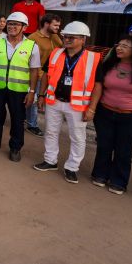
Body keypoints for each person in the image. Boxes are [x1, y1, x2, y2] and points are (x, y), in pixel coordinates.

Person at [33, 21, 100, 183]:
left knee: (77, 137)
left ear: (83, 39)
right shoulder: (56, 53)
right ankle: (50, 161)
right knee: (51, 131)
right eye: (65, 36)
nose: (67, 39)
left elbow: (98, 85)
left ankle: (72, 167)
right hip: (54, 101)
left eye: (72, 37)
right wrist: (41, 96)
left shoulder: (93, 58)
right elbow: (46, 76)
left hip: (77, 105)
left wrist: (92, 108)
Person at [0, 11, 41, 162]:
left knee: (17, 119)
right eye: (10, 24)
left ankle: (15, 147)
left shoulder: (32, 46)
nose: (12, 27)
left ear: (24, 27)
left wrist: (32, 91)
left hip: (19, 90)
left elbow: (34, 71)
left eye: (16, 24)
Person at [87, 35, 132, 194]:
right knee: (104, 145)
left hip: (130, 116)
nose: (119, 48)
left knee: (124, 149)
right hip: (105, 112)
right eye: (118, 45)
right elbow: (99, 87)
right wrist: (93, 108)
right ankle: (100, 174)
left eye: (125, 46)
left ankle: (119, 181)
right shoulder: (108, 65)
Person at [25, 13, 63, 136]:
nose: (58, 28)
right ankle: (32, 125)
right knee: (34, 99)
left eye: (59, 25)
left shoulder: (55, 37)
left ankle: (27, 118)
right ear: (46, 24)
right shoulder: (33, 37)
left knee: (40, 100)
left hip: (51, 76)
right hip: (38, 74)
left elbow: (62, 51)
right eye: (55, 25)